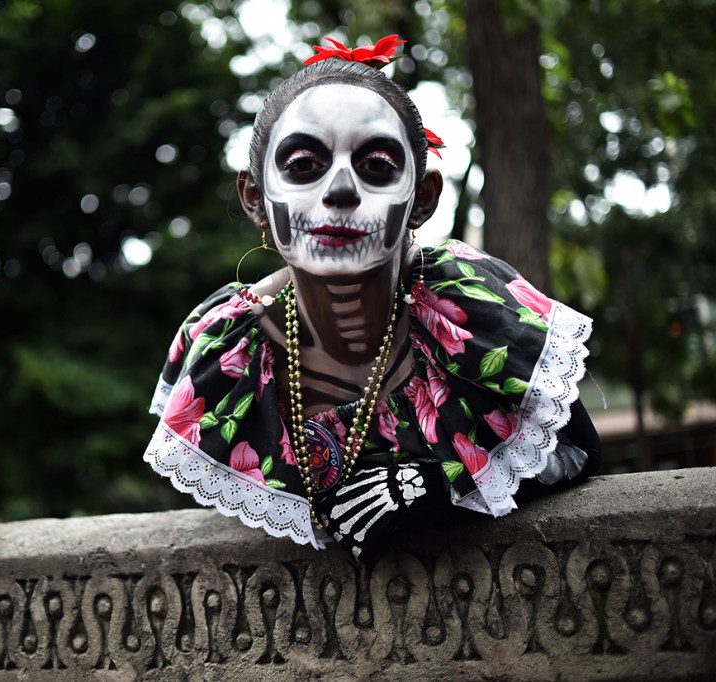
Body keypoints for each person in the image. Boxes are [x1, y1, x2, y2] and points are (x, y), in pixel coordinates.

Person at [143, 36, 600, 563]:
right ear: (255, 198)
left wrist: (435, 491)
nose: (340, 189)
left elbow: (578, 451)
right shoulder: (227, 349)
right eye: (302, 164)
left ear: (422, 196)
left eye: (377, 165)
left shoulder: (468, 309)